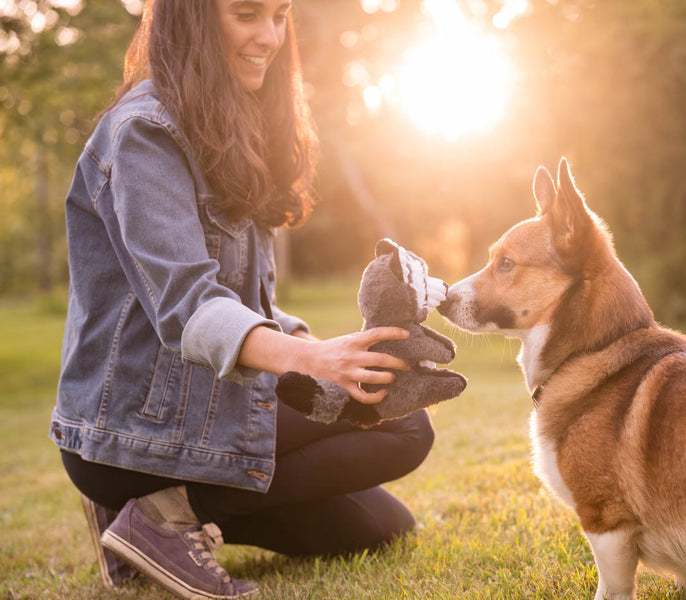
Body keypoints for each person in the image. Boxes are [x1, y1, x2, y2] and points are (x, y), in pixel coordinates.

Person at [49, 0, 435, 598]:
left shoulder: (226, 128)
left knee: (383, 527)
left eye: (280, 16)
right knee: (406, 431)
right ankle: (154, 515)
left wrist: (307, 341)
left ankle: (147, 521)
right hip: (134, 426)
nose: (270, 36)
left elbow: (243, 301)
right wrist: (314, 362)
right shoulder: (143, 132)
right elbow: (190, 306)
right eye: (247, 14)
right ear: (192, 19)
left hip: (210, 402)